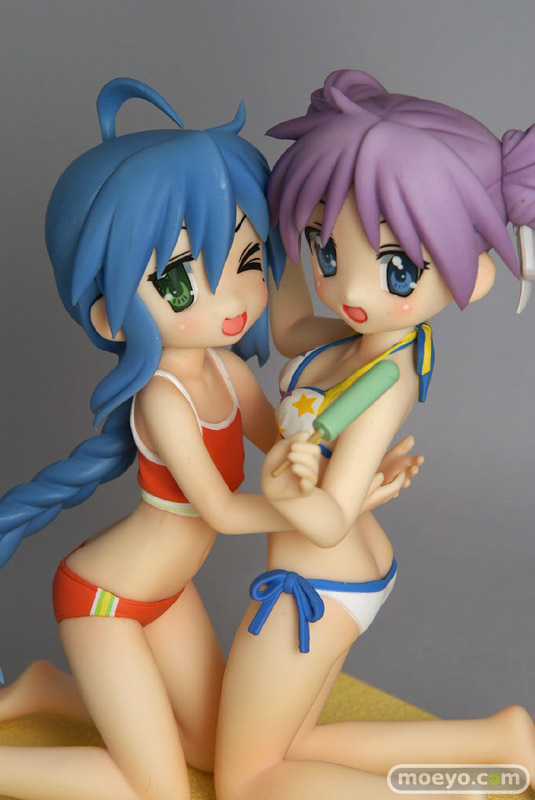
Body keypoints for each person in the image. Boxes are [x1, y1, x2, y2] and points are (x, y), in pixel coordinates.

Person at [0, 76, 418, 800]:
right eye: (180, 285)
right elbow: (221, 512)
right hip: (106, 601)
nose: (230, 301)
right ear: (109, 317)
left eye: (247, 263)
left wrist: (354, 468)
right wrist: (324, 508)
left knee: (209, 749)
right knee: (154, 791)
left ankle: (48, 689)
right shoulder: (163, 397)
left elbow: (283, 439)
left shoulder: (226, 370)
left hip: (168, 595)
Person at [215, 70, 535, 800]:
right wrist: (277, 210)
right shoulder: (359, 339)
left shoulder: (385, 380)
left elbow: (328, 517)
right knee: (294, 745)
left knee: (249, 780)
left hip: (316, 581)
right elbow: (290, 328)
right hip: (344, 568)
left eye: (395, 269)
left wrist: (283, 489)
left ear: (475, 275)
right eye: (329, 255)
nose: (354, 292)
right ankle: (496, 746)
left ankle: (458, 791)